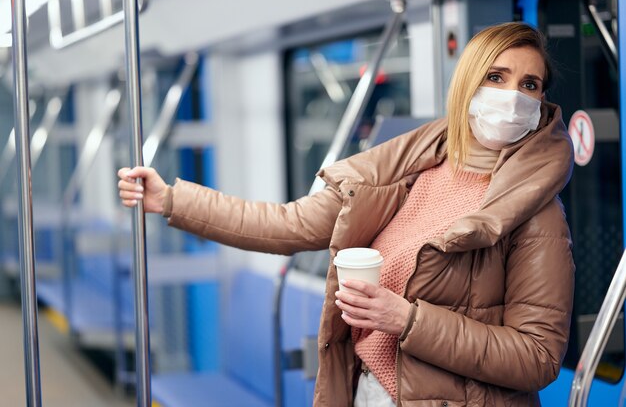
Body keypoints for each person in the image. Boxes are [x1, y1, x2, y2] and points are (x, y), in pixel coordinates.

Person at [118, 22, 574, 407]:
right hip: (368, 389)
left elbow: (536, 357)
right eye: (496, 77)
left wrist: (409, 321)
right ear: (467, 85)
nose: (513, 96)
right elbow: (289, 224)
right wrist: (172, 201)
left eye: (528, 85)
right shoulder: (412, 168)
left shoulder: (536, 215)